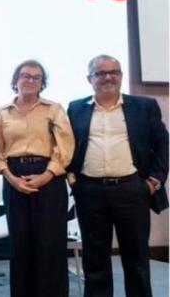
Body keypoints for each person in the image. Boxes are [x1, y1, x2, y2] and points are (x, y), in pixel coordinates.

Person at [67, 55, 168, 297]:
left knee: (137, 259)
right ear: (89, 78)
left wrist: (154, 181)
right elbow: (67, 146)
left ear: (121, 76)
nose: (108, 77)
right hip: (89, 191)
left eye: (114, 71)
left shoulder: (143, 106)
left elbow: (163, 144)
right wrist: (73, 179)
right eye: (101, 73)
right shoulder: (75, 108)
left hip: (132, 190)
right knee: (95, 259)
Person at [0, 59, 75, 297]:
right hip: (13, 178)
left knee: (50, 245)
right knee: (20, 246)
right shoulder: (2, 113)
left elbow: (66, 146)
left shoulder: (54, 109)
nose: (30, 80)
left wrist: (47, 175)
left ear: (42, 84)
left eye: (36, 77)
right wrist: (10, 177)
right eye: (25, 76)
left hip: (49, 179)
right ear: (15, 81)